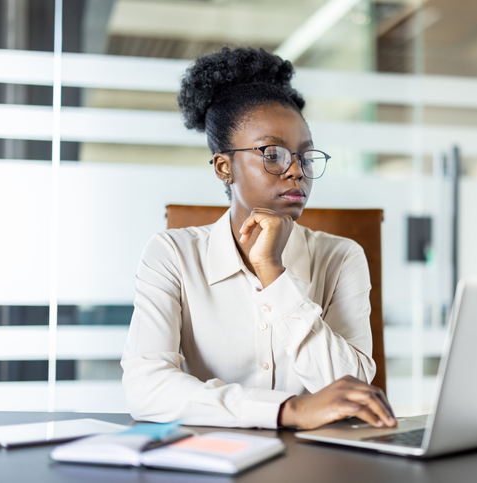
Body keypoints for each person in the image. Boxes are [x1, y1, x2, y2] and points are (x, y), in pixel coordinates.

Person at [121, 47, 396, 431]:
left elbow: (348, 390)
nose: (296, 171)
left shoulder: (341, 257)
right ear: (223, 167)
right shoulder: (171, 254)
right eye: (272, 154)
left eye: (305, 156)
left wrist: (273, 273)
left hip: (317, 463)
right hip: (209, 462)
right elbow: (145, 386)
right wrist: (288, 410)